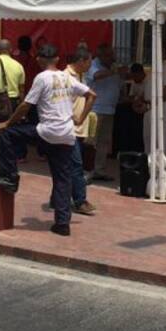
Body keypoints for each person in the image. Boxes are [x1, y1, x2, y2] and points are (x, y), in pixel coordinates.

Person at [0, 44, 96, 236]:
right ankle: (62, 224)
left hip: (46, 132)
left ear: (39, 60)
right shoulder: (67, 78)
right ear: (56, 59)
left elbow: (25, 106)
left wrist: (8, 122)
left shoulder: (42, 78)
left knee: (6, 134)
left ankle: (9, 176)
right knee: (62, 178)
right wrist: (80, 119)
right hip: (66, 135)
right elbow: (91, 95)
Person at [66, 47, 97, 215]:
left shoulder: (80, 76)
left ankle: (58, 198)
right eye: (89, 62)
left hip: (78, 129)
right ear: (81, 61)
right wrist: (78, 119)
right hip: (70, 128)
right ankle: (80, 200)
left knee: (68, 166)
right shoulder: (67, 77)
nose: (90, 66)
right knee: (76, 166)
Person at [85, 43, 121, 181]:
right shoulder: (93, 65)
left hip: (109, 109)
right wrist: (114, 71)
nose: (113, 59)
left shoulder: (112, 67)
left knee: (104, 142)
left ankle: (99, 170)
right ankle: (87, 170)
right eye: (111, 56)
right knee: (90, 141)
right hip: (95, 109)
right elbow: (97, 76)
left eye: (113, 56)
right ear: (102, 56)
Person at [141, 37, 166, 158]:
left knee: (161, 140)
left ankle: (161, 172)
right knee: (148, 139)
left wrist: (150, 104)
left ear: (163, 50)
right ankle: (150, 170)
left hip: (162, 106)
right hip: (150, 106)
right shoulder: (156, 65)